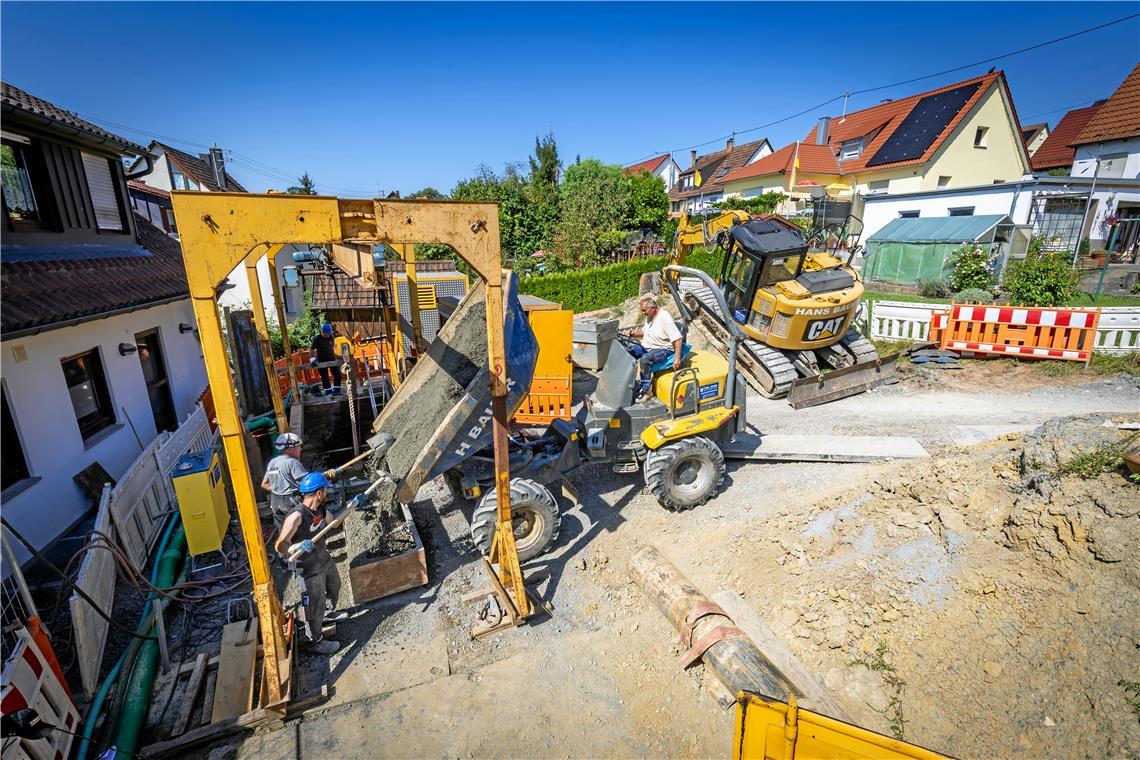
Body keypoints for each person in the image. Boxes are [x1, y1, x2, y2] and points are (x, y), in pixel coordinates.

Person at [274, 472, 345, 655]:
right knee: (313, 604)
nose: (326, 494)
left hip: (323, 559)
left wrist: (352, 506)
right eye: (325, 491)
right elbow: (280, 545)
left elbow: (335, 523)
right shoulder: (297, 516)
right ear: (319, 493)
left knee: (335, 586)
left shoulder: (320, 510)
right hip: (306, 569)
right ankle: (314, 641)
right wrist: (297, 545)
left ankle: (327, 614)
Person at [626, 295, 683, 398]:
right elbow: (644, 332)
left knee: (645, 359)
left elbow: (678, 338)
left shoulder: (664, 318)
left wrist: (677, 358)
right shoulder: (650, 317)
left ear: (653, 307)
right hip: (648, 347)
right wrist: (633, 334)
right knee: (628, 351)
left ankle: (647, 390)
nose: (643, 313)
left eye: (644, 310)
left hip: (664, 349)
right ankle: (625, 382)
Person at [310, 322, 342, 393]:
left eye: (329, 333)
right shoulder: (317, 338)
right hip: (321, 361)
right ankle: (328, 392)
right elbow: (312, 350)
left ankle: (336, 391)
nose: (328, 334)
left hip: (331, 359)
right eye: (327, 333)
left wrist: (339, 355)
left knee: (337, 375)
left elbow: (335, 347)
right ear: (323, 331)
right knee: (325, 377)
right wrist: (312, 360)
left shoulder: (331, 337)